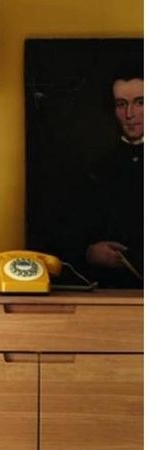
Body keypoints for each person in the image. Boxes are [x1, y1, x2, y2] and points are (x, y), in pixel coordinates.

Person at [84, 67, 143, 288]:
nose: (129, 114)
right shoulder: (97, 167)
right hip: (110, 289)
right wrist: (90, 252)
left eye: (140, 102)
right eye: (121, 104)